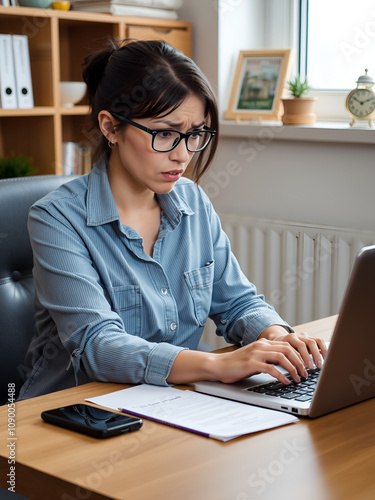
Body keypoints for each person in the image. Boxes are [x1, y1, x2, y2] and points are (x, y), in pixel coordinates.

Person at [19, 39, 326, 400]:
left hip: (169, 405)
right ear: (110, 127)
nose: (183, 155)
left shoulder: (193, 202)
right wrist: (219, 365)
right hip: (73, 414)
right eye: (165, 133)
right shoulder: (56, 218)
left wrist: (276, 336)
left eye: (194, 134)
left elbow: (237, 302)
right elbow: (97, 344)